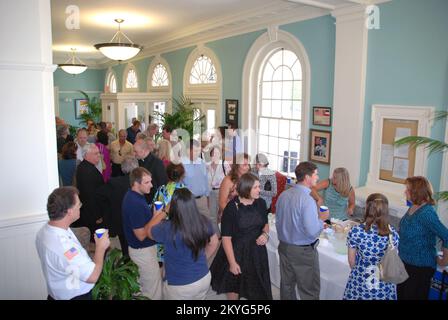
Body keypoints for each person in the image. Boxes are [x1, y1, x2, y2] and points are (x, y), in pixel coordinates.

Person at [35, 187, 110, 300]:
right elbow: (93, 276)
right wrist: (100, 247)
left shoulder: (46, 230)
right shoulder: (63, 247)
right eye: (78, 205)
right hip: (75, 296)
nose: (80, 207)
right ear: (69, 211)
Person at [146, 188, 220, 300]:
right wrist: (204, 257)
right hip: (203, 278)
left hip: (179, 285)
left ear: (174, 207)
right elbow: (214, 242)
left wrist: (163, 212)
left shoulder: (166, 228)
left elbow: (148, 231)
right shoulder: (203, 221)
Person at [210, 173, 272, 300]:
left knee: (257, 288)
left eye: (259, 186)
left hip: (256, 253)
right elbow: (226, 239)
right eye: (255, 187)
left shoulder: (261, 203)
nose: (259, 190)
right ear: (246, 188)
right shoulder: (231, 208)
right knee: (234, 286)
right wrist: (232, 263)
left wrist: (265, 234)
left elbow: (265, 224)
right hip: (236, 252)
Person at [275, 161, 329, 300]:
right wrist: (322, 219)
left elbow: (278, 221)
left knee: (287, 286)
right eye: (316, 174)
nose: (318, 177)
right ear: (307, 177)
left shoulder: (284, 195)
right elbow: (312, 232)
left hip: (284, 247)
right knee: (309, 290)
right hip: (302, 252)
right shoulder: (307, 200)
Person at [397, 176, 448, 300]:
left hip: (419, 269)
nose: (405, 192)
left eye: (408, 190)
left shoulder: (427, 213)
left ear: (416, 192)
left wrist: (444, 260)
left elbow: (446, 235)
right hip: (405, 264)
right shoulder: (413, 206)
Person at [343, 193, 399, 300]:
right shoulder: (393, 234)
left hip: (360, 281)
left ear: (366, 209)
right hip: (383, 285)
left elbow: (351, 261)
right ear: (386, 211)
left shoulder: (356, 232)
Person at [122, 167, 162, 300]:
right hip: (143, 251)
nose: (151, 185)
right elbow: (141, 235)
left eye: (150, 181)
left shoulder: (135, 196)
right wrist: (158, 216)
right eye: (147, 182)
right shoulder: (135, 203)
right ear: (135, 184)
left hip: (139, 250)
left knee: (141, 287)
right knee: (152, 290)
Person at [96, 156, 139, 258]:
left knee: (124, 247)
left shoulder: (113, 182)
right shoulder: (140, 182)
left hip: (119, 220)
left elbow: (99, 195)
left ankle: (127, 266)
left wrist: (107, 210)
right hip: (136, 221)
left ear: (122, 168)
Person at [74, 144, 105, 235]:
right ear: (87, 155)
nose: (99, 155)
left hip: (89, 211)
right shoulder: (87, 170)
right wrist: (97, 215)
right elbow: (89, 196)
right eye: (96, 153)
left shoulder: (85, 166)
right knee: (95, 239)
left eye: (98, 153)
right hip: (91, 213)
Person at [181, 139, 211, 223]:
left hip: (202, 200)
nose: (198, 153)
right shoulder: (181, 165)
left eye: (198, 150)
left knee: (207, 225)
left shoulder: (201, 162)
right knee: (189, 226)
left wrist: (207, 199)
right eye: (195, 150)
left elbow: (205, 181)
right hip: (188, 202)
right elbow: (178, 185)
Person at [134, 139, 168, 203]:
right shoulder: (138, 160)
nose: (134, 154)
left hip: (152, 200)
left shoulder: (157, 163)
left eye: (135, 151)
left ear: (143, 151)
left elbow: (162, 185)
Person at [218, 153, 250, 222]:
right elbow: (222, 203)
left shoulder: (247, 178)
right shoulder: (228, 181)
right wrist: (235, 216)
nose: (248, 167)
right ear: (237, 166)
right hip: (230, 216)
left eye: (248, 164)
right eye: (245, 165)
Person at [206, 146, 231, 233]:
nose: (215, 156)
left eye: (217, 153)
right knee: (212, 216)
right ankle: (217, 236)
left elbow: (231, 179)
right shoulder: (207, 166)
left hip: (223, 192)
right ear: (210, 155)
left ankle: (226, 234)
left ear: (220, 155)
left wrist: (229, 195)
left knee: (224, 214)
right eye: (213, 154)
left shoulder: (224, 164)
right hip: (211, 193)